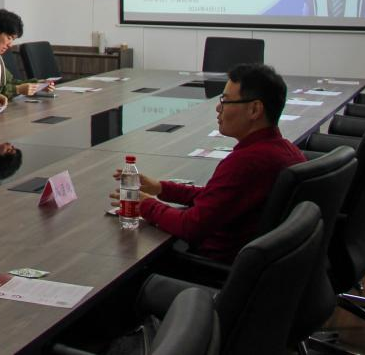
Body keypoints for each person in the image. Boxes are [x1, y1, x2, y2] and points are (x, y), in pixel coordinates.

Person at [110, 63, 306, 261]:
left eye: (226, 101)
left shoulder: (247, 162)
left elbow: (190, 226)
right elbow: (217, 198)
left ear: (254, 109)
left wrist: (145, 204)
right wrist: (161, 188)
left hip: (210, 266)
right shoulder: (288, 151)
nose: (218, 107)